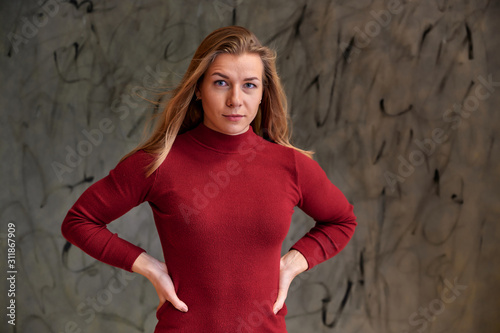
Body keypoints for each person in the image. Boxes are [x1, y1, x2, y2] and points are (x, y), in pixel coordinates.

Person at [61, 25, 357, 332]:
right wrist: (150, 268)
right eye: (220, 83)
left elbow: (342, 220)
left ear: (263, 93)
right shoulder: (160, 162)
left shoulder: (290, 166)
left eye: (249, 85)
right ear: (199, 89)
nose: (235, 100)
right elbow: (79, 221)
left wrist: (291, 264)